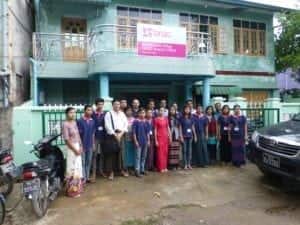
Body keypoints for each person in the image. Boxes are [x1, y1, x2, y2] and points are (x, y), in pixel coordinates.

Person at [104, 99, 129, 180]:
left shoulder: (122, 114)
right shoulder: (109, 114)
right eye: (115, 104)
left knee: (121, 154)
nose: (117, 105)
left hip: (121, 135)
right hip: (112, 136)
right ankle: (111, 172)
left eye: (118, 104)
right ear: (112, 105)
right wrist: (115, 135)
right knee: (111, 154)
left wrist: (121, 134)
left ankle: (121, 170)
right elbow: (107, 126)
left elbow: (126, 124)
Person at [62, 107, 83, 198]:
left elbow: (78, 135)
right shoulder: (65, 124)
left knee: (78, 168)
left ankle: (77, 189)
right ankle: (71, 191)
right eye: (71, 112)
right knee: (71, 168)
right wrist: (75, 150)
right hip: (71, 149)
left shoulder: (74, 123)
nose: (73, 114)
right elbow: (66, 140)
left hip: (78, 146)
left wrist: (81, 146)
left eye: (74, 112)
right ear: (67, 114)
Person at [77, 105, 95, 183]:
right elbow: (77, 134)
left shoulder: (92, 121)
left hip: (90, 144)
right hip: (82, 145)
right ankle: (83, 178)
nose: (89, 112)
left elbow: (93, 133)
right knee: (83, 162)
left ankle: (87, 177)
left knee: (88, 161)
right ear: (84, 111)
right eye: (88, 110)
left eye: (91, 110)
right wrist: (80, 145)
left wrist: (93, 143)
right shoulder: (79, 121)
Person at [132, 108, 150, 177]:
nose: (142, 114)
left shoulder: (146, 122)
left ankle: (142, 170)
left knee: (144, 156)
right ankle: (137, 171)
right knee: (138, 157)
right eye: (141, 113)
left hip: (145, 141)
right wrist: (135, 141)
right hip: (138, 142)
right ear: (138, 114)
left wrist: (148, 141)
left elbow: (148, 133)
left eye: (143, 113)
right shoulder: (135, 121)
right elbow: (134, 133)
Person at [91, 98, 106, 181]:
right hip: (95, 137)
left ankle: (101, 171)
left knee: (102, 155)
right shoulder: (92, 114)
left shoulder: (105, 113)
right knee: (94, 155)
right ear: (96, 105)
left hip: (103, 137)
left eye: (101, 104)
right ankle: (93, 173)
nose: (100, 106)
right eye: (99, 104)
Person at [154, 107, 171, 173]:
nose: (161, 112)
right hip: (159, 137)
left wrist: (170, 136)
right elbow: (155, 129)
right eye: (160, 110)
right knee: (159, 153)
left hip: (165, 137)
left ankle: (165, 167)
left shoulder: (166, 119)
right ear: (158, 111)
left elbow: (168, 127)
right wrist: (156, 140)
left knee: (165, 152)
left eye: (163, 111)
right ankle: (160, 167)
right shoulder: (156, 119)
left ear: (164, 112)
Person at [179, 105, 197, 170]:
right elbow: (180, 127)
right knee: (184, 150)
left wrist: (195, 135)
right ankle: (185, 164)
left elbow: (193, 127)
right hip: (184, 136)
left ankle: (189, 164)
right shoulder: (181, 117)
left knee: (189, 151)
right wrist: (181, 136)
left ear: (190, 110)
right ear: (184, 110)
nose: (187, 110)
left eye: (188, 109)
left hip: (190, 136)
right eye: (186, 109)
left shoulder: (191, 117)